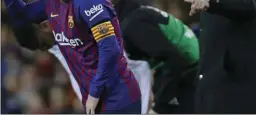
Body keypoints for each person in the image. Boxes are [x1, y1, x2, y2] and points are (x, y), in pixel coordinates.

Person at [1, 0, 141, 114]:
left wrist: (94, 93)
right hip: (96, 102)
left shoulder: (90, 0)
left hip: (120, 101)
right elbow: (21, 14)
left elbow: (110, 49)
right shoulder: (51, 2)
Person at [9, 18, 152, 114]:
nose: (45, 49)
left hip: (140, 80)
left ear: (44, 26)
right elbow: (74, 73)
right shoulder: (54, 44)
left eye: (42, 44)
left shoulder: (76, 19)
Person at [114, 0, 199, 114]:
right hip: (191, 69)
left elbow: (174, 60)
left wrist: (159, 106)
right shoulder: (136, 15)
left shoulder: (132, 26)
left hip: (191, 74)